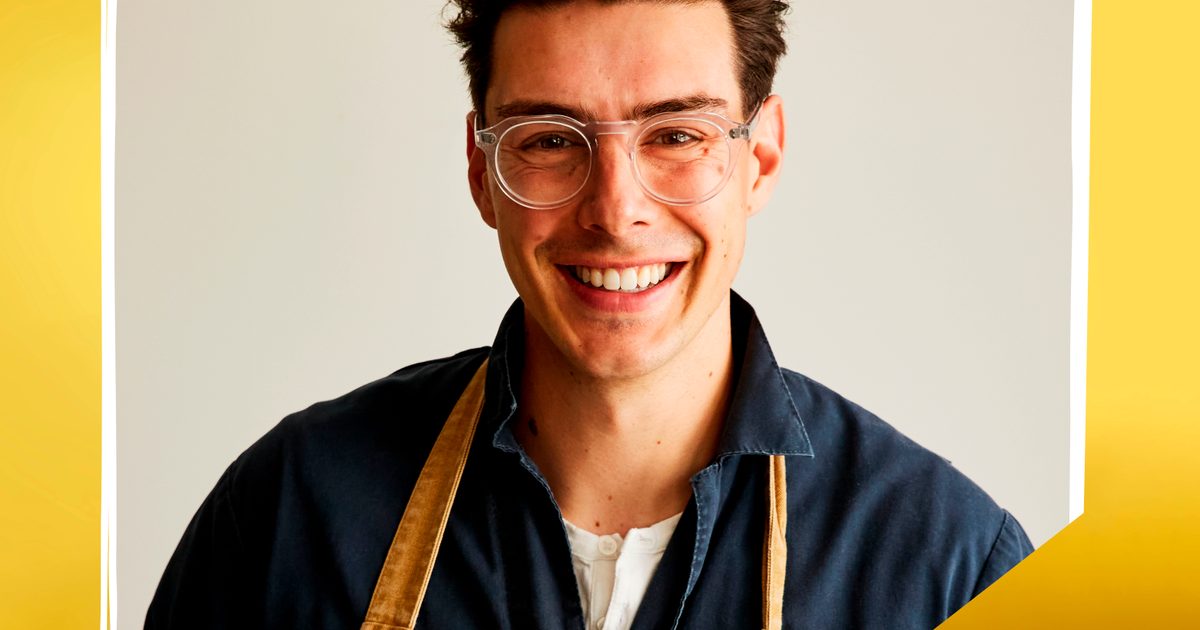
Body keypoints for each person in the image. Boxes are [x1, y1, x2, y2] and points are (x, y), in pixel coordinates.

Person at [146, 1, 1033, 628]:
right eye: (548, 141)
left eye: (676, 135)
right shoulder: (288, 520)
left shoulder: (952, 570)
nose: (615, 210)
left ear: (759, 158)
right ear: (481, 173)